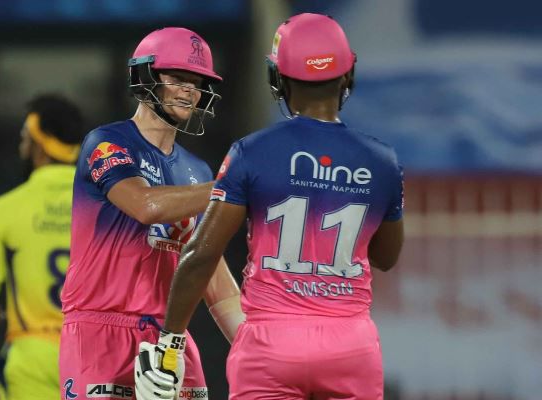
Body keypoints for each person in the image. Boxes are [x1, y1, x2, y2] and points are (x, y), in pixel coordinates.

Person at [135, 13, 405, 400]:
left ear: (277, 77)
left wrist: (170, 342)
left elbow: (201, 254)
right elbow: (386, 257)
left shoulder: (252, 152)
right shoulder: (382, 160)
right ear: (349, 74)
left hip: (271, 345)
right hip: (350, 346)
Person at [59, 27, 243, 400]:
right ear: (145, 77)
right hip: (100, 332)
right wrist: (236, 187)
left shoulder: (198, 172)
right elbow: (145, 206)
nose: (189, 91)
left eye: (197, 83)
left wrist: (259, 348)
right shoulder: (106, 142)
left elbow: (213, 278)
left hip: (170, 338)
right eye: (177, 78)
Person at [0, 94, 85, 400]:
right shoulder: (107, 207)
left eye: (23, 139)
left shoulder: (6, 208)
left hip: (33, 355)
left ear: (38, 146)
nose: (21, 147)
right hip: (94, 355)